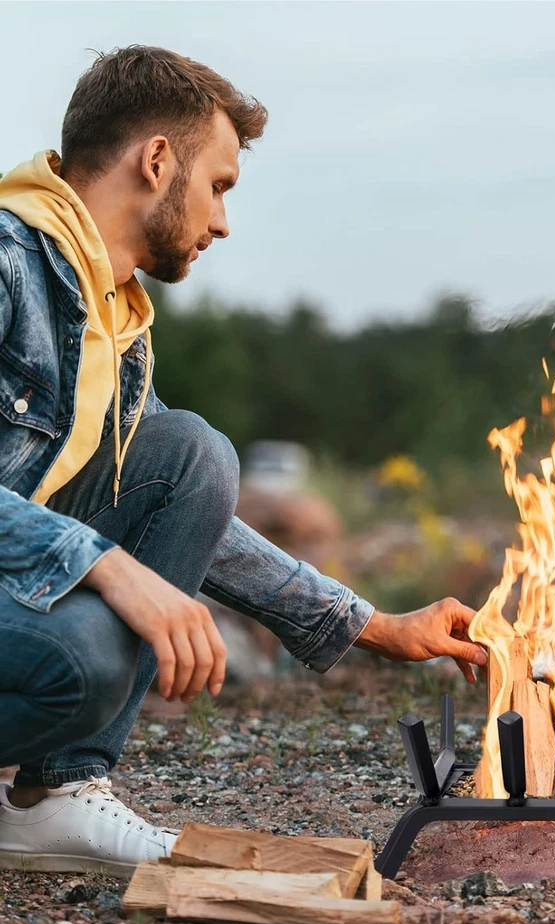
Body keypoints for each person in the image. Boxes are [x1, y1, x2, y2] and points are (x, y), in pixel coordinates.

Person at [0, 45, 487, 875]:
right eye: (219, 184)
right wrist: (107, 566)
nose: (223, 221)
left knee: (192, 453)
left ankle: (51, 798)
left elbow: (187, 505)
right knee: (88, 656)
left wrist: (374, 626)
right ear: (158, 161)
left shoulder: (111, 319)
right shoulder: (9, 262)